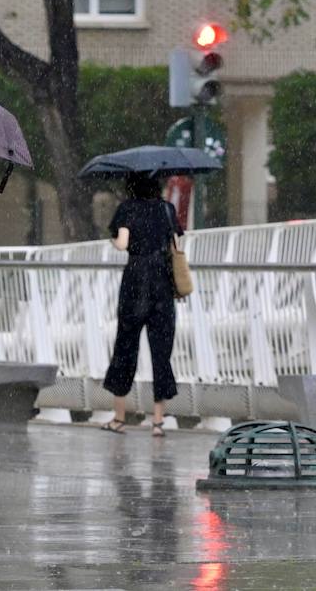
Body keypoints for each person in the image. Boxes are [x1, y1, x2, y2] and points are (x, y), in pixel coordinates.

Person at [100, 172, 183, 437]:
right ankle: (158, 421)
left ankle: (119, 418)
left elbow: (123, 244)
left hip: (136, 281)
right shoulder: (167, 210)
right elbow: (176, 244)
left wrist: (114, 239)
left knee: (125, 346)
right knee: (161, 350)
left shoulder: (127, 209)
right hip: (162, 282)